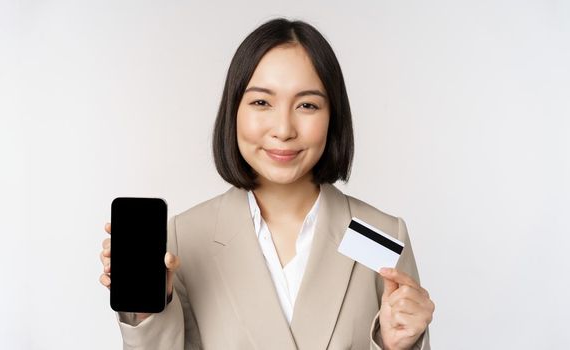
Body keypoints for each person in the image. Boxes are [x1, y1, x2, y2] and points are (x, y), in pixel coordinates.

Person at [99, 18, 435, 349]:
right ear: (234, 110)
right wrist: (146, 315)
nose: (284, 128)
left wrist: (396, 346)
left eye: (307, 105)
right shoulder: (185, 239)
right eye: (261, 102)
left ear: (333, 116)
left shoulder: (383, 237)